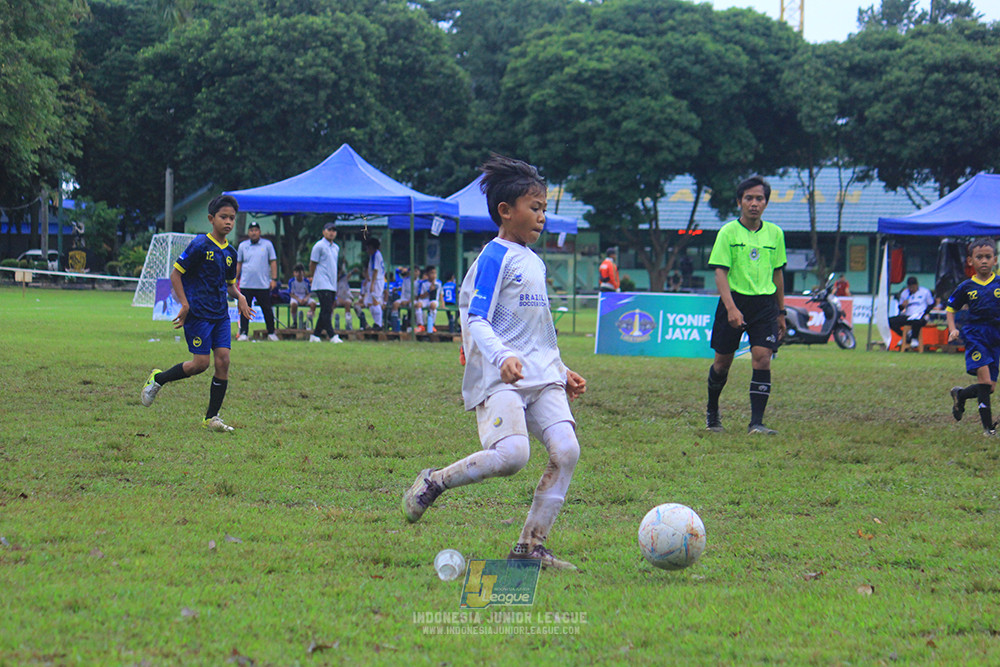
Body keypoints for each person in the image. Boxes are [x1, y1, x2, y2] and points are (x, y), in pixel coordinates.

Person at [401, 155, 587, 571]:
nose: (542, 217)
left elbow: (537, 330)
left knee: (567, 450)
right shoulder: (494, 256)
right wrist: (502, 357)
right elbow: (477, 319)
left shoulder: (534, 261)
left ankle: (530, 547)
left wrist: (561, 370)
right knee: (513, 455)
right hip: (501, 377)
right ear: (506, 210)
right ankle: (435, 480)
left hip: (542, 377)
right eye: (534, 208)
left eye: (544, 208)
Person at [140, 194, 255, 433]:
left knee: (223, 361)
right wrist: (184, 304)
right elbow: (176, 274)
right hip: (198, 314)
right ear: (211, 219)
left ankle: (211, 417)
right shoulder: (200, 245)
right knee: (200, 364)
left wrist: (241, 297)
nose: (228, 222)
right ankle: (158, 379)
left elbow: (230, 285)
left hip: (220, 314)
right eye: (223, 217)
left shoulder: (231, 252)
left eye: (232, 218)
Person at [705, 175, 786, 435]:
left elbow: (778, 273)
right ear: (739, 201)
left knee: (762, 358)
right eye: (749, 198)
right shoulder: (728, 232)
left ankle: (756, 423)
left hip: (765, 305)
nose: (754, 203)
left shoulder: (775, 234)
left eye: (759, 199)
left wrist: (781, 311)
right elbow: (720, 272)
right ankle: (712, 413)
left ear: (766, 203)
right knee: (722, 364)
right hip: (734, 301)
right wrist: (731, 308)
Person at [947, 238, 1000, 435]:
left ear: (995, 259)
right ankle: (988, 429)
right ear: (970, 261)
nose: (984, 261)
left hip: (996, 336)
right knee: (984, 383)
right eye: (979, 257)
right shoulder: (966, 286)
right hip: (976, 336)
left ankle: (960, 395)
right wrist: (952, 329)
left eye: (988, 256)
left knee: (989, 387)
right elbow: (951, 308)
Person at [235, 221, 278, 341]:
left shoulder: (267, 245)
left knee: (267, 309)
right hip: (246, 283)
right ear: (248, 233)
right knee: (245, 308)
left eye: (256, 230)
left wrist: (274, 279)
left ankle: (271, 332)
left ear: (260, 232)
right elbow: (239, 263)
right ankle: (244, 333)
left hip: (262, 284)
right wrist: (234, 279)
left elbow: (273, 262)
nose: (253, 233)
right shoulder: (243, 246)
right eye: (251, 231)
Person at [308, 222, 342, 343]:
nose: (331, 233)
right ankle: (332, 335)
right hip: (321, 282)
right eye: (329, 230)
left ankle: (315, 335)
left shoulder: (336, 247)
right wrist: (312, 276)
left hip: (331, 283)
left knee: (326, 309)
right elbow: (313, 263)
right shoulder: (319, 246)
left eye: (334, 230)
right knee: (326, 309)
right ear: (324, 232)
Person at [889, 276, 936, 348]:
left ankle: (914, 338)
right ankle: (905, 336)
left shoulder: (925, 292)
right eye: (910, 287)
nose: (911, 289)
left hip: (920, 315)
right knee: (890, 321)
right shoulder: (905, 293)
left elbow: (931, 304)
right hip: (908, 315)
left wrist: (925, 313)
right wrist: (902, 305)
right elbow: (900, 308)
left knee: (916, 321)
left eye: (913, 287)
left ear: (917, 285)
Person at [361, 236, 386, 330]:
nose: (367, 250)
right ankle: (376, 322)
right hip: (373, 280)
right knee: (370, 303)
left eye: (368, 248)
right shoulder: (373, 256)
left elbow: (376, 271)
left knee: (375, 301)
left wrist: (372, 284)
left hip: (377, 281)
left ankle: (379, 324)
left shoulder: (377, 255)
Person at [288, 263, 317, 329]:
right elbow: (291, 293)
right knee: (293, 305)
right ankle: (295, 322)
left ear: (303, 273)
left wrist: (305, 299)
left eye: (300, 272)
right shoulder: (292, 281)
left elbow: (309, 293)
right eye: (297, 272)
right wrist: (299, 299)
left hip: (304, 297)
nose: (298, 274)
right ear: (294, 273)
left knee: (313, 304)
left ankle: (307, 321)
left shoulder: (306, 281)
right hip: (295, 297)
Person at [415, 265, 443, 333]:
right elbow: (421, 296)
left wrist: (442, 304)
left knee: (433, 305)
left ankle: (431, 324)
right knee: (418, 305)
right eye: (431, 273)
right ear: (427, 274)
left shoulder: (439, 283)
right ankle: (420, 325)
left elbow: (441, 294)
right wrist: (429, 291)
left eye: (435, 273)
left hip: (434, 300)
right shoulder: (423, 283)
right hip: (425, 300)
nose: (434, 275)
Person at [335, 259, 361, 331]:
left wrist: (353, 271)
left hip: (346, 298)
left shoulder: (344, 278)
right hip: (338, 298)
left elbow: (349, 274)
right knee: (332, 304)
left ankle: (348, 322)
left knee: (348, 303)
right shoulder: (333, 281)